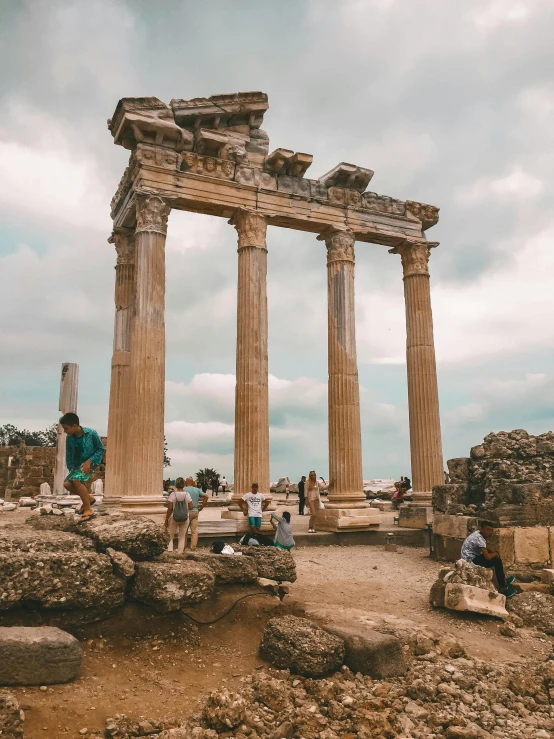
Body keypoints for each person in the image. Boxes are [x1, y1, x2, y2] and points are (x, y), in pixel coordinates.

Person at [60, 413, 105, 524]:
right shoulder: (69, 438)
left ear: (74, 425)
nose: (65, 431)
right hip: (77, 465)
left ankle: (88, 509)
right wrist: (71, 469)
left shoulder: (92, 433)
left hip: (92, 461)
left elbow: (101, 449)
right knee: (67, 484)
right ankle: (89, 499)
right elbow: (69, 454)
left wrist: (89, 461)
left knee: (77, 480)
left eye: (66, 428)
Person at [461, 521, 516, 596]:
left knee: (494, 557)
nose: (490, 532)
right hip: (469, 561)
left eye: (491, 530)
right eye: (488, 529)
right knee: (496, 560)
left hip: (468, 557)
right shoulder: (480, 538)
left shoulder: (478, 534)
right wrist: (496, 553)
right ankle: (503, 588)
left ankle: (502, 580)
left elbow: (483, 547)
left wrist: (491, 551)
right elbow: (488, 557)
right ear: (482, 529)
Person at [165, 477, 193, 553]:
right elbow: (191, 507)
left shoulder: (172, 494)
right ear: (184, 485)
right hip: (184, 517)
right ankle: (180, 553)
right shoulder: (187, 494)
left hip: (175, 517)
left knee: (171, 535)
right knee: (182, 537)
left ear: (176, 485)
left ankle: (170, 551)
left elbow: (170, 508)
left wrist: (166, 519)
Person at [183, 476, 208, 550]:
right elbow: (206, 496)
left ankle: (183, 546)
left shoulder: (183, 490)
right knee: (194, 530)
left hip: (186, 511)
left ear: (185, 482)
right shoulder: (197, 490)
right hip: (195, 511)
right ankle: (193, 547)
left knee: (184, 530)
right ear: (193, 482)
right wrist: (202, 506)